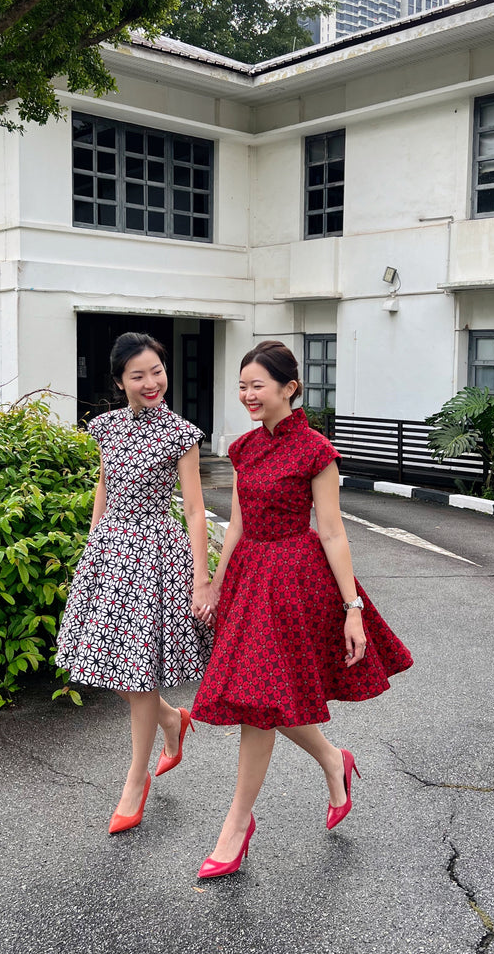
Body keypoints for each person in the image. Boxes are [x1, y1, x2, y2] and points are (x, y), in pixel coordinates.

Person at [191, 340, 413, 878]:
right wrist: (216, 583)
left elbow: (334, 532)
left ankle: (237, 825)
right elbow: (238, 523)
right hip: (248, 577)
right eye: (242, 386)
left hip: (294, 581)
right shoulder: (242, 448)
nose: (247, 395)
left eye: (257, 386)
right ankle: (335, 760)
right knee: (266, 695)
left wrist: (352, 608)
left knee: (263, 697)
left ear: (289, 388)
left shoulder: (316, 450)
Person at [55, 332, 215, 834]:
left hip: (155, 556)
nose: (151, 382)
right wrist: (93, 540)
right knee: (99, 661)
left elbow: (192, 507)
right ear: (120, 381)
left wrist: (200, 575)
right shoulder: (106, 427)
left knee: (137, 673)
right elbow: (105, 482)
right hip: (110, 551)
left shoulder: (180, 434)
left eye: (157, 371)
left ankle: (135, 779)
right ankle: (171, 720)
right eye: (138, 375)